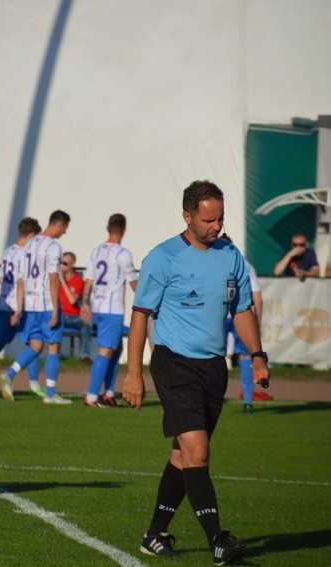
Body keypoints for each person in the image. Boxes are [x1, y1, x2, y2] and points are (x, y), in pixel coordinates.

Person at [123, 180, 270, 564]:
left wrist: (257, 355)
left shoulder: (230, 255)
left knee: (183, 456)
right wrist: (133, 373)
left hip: (212, 368)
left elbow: (241, 311)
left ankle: (154, 535)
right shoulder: (164, 257)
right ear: (187, 216)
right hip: (174, 363)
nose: (215, 226)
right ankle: (219, 540)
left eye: (220, 218)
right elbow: (140, 317)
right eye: (208, 219)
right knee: (198, 451)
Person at [0, 210, 71, 403]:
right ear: (59, 224)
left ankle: (10, 374)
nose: (64, 232)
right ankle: (50, 394)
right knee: (53, 348)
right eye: (65, 228)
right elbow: (53, 278)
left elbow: (21, 281)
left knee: (36, 347)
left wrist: (20, 308)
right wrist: (56, 310)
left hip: (30, 306)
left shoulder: (29, 245)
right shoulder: (53, 247)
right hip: (47, 304)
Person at [80, 214, 138, 408]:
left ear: (108, 229)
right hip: (113, 309)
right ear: (124, 231)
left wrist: (85, 304)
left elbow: (88, 282)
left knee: (116, 347)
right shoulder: (123, 254)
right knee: (105, 350)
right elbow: (133, 283)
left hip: (98, 306)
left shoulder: (96, 252)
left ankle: (109, 393)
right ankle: (91, 396)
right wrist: (149, 300)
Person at [0, 217, 43, 396]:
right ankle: (32, 385)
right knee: (33, 342)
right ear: (31, 235)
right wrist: (20, 308)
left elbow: (2, 278)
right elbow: (20, 282)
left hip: (2, 302)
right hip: (18, 305)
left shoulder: (8, 251)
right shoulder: (25, 254)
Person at [220, 233, 264, 413]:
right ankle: (247, 402)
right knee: (247, 357)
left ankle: (215, 396)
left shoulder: (213, 262)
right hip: (242, 315)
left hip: (221, 316)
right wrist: (257, 323)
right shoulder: (244, 263)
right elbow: (258, 298)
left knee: (215, 356)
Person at [58, 252, 93, 363]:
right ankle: (54, 354)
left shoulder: (78, 281)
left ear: (72, 265)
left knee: (88, 323)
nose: (61, 266)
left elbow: (72, 300)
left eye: (64, 263)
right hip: (60, 315)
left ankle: (84, 355)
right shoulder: (55, 280)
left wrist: (63, 281)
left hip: (73, 316)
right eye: (60, 263)